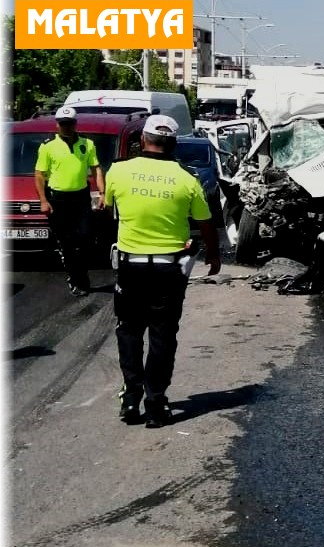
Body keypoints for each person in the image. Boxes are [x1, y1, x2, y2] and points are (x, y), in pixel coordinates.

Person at [104, 114, 221, 428]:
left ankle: (130, 397)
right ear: (174, 144)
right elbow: (206, 222)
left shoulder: (118, 171)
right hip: (169, 271)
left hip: (130, 267)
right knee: (162, 335)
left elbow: (107, 206)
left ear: (143, 140)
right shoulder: (187, 179)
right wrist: (213, 255)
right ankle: (156, 402)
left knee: (129, 330)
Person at [35, 106, 105, 296]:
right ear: (57, 124)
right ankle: (77, 280)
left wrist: (102, 192)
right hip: (58, 199)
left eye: (69, 124)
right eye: (62, 124)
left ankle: (81, 275)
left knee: (84, 239)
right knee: (67, 243)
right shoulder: (48, 146)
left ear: (75, 124)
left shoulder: (87, 144)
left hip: (81, 197)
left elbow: (96, 168)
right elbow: (40, 175)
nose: (65, 127)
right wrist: (43, 200)